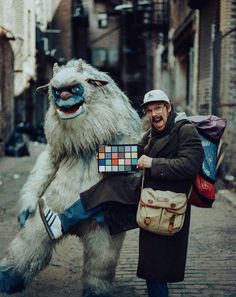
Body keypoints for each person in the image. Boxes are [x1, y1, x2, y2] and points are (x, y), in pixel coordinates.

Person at [38, 89, 204, 297]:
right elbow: (135, 154)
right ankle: (73, 220)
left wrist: (153, 163)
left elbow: (190, 165)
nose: (154, 114)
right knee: (151, 266)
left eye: (158, 108)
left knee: (157, 269)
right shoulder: (154, 132)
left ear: (168, 108)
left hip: (168, 207)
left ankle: (63, 222)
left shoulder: (185, 130)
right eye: (150, 110)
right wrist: (101, 156)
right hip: (151, 202)